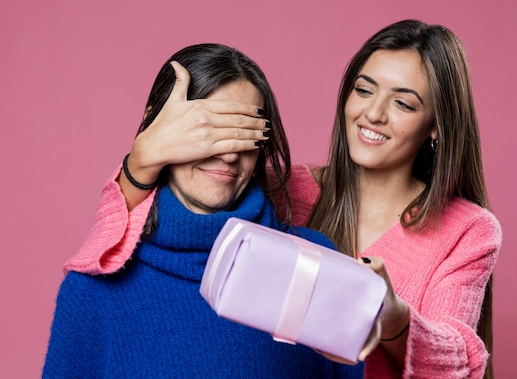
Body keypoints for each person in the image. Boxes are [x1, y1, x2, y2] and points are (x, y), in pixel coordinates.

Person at [63, 20, 502, 379]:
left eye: (403, 103)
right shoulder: (281, 185)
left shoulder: (467, 229)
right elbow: (151, 219)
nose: (373, 113)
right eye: (364, 90)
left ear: (436, 127)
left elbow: (462, 360)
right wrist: (145, 158)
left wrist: (392, 317)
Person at [42, 43, 364, 379]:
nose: (228, 154)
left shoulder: (314, 262)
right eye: (208, 132)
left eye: (246, 134)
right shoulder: (92, 291)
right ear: (158, 133)